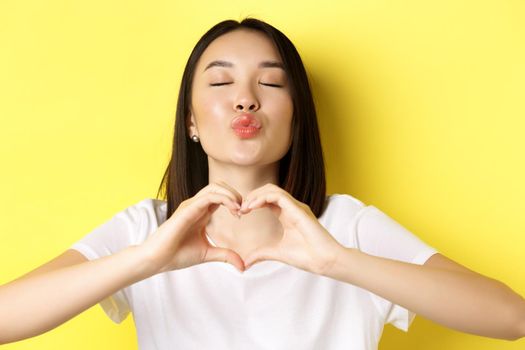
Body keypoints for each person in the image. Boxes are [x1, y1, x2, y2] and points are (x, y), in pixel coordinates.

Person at [0, 18, 524, 350]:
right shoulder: (147, 228)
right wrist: (145, 260)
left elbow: (510, 317)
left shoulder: (346, 227)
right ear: (190, 120)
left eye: (270, 83)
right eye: (222, 83)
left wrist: (336, 262)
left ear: (297, 119)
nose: (246, 99)